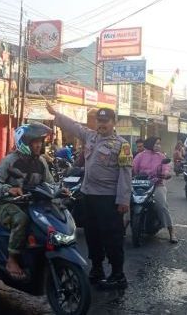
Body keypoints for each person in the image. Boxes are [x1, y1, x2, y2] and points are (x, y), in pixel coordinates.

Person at [47, 103, 132, 290]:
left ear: (114, 122)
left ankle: (118, 274)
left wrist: (123, 200)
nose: (101, 125)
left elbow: (126, 174)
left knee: (112, 237)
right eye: (99, 121)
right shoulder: (90, 136)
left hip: (108, 199)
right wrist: (56, 114)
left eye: (105, 121)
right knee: (92, 235)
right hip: (88, 196)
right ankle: (97, 269)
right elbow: (74, 126)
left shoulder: (122, 145)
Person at [0, 122, 55, 281]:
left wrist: (59, 191)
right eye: (35, 142)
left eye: (40, 141)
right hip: (7, 204)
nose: (39, 145)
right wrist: (7, 189)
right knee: (21, 219)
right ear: (24, 143)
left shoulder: (41, 162)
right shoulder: (10, 161)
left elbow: (50, 184)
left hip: (31, 204)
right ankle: (12, 260)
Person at [132, 137, 177, 243]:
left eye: (159, 144)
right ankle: (123, 228)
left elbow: (166, 168)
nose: (158, 146)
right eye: (156, 144)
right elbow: (133, 168)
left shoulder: (161, 156)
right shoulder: (140, 156)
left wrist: (166, 174)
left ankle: (172, 232)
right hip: (141, 184)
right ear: (150, 144)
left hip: (157, 184)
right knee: (128, 202)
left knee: (161, 206)